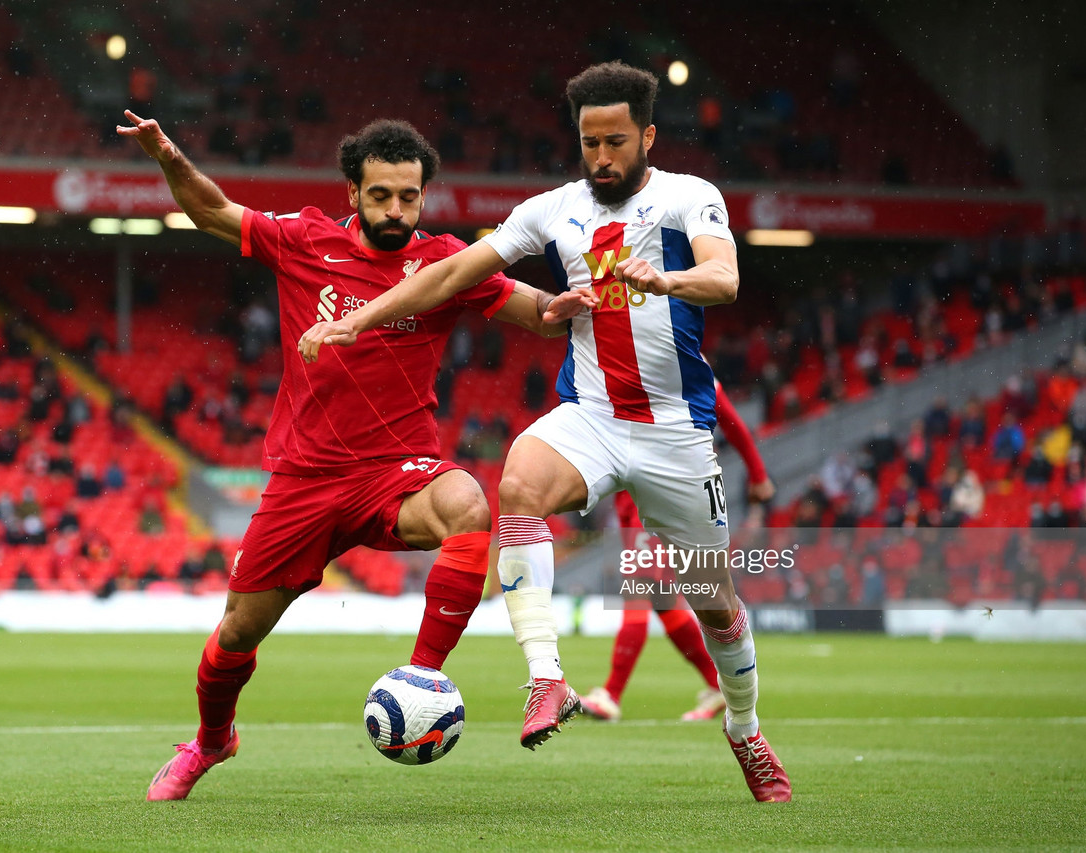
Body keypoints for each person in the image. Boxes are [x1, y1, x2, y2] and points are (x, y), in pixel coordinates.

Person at [299, 61, 790, 801]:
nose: (601, 157)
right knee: (518, 481)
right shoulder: (552, 210)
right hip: (590, 415)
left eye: (616, 141)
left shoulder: (691, 197)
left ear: (647, 136)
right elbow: (453, 273)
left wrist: (666, 281)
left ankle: (746, 731)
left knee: (713, 598)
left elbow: (725, 279)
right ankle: (548, 678)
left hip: (674, 433)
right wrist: (358, 321)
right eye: (590, 141)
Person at [119, 111, 565, 801]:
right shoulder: (306, 239)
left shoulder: (446, 261)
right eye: (381, 194)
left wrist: (575, 302)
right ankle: (212, 741)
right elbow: (209, 210)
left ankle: (421, 678)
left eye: (409, 197)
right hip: (305, 478)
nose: (396, 209)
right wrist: (169, 155)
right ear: (352, 191)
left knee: (469, 505)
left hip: (398, 473)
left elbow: (535, 310)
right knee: (235, 636)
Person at [580, 381, 774, 724]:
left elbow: (732, 423)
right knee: (663, 601)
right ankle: (718, 685)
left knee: (641, 587)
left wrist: (758, 475)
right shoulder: (623, 356)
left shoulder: (691, 367)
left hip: (662, 494)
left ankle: (611, 695)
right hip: (632, 493)